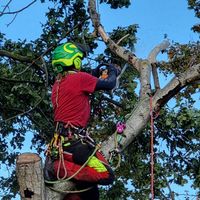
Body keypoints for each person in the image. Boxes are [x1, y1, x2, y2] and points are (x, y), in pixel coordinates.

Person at [46, 42, 120, 200]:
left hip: (61, 143)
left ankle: (58, 166)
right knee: (106, 174)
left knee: (91, 193)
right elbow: (109, 83)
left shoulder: (58, 84)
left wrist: (95, 72)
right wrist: (113, 71)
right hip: (75, 144)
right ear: (75, 61)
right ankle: (57, 167)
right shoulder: (80, 78)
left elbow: (83, 83)